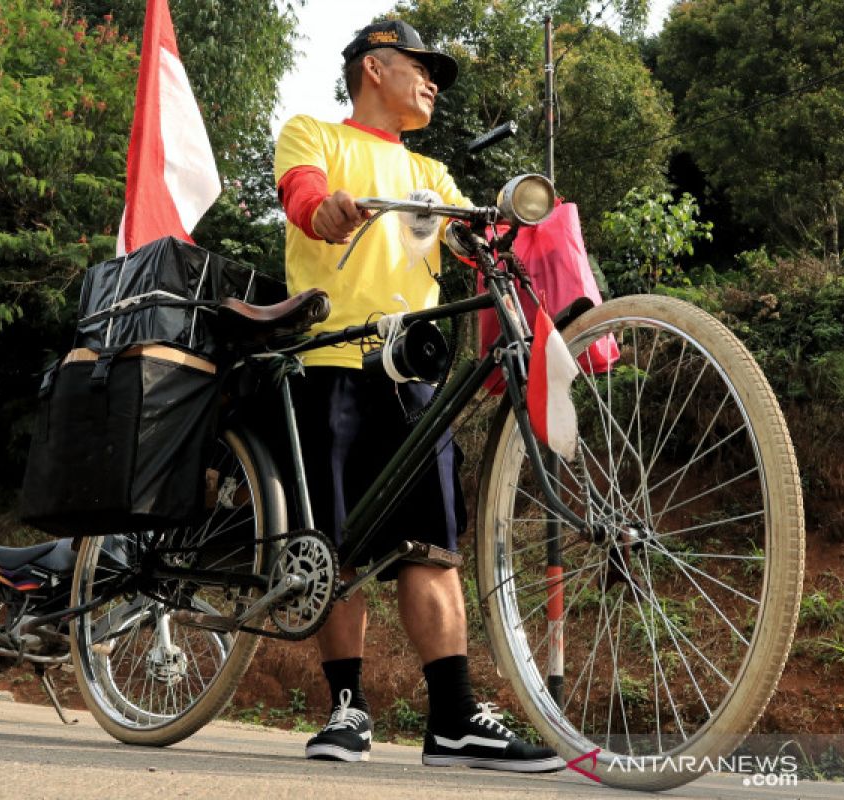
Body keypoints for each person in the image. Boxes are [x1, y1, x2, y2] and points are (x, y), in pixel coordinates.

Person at [273, 19, 564, 773]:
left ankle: (455, 717)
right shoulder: (313, 133)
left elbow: (471, 236)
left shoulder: (431, 174)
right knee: (333, 545)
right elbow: (303, 193)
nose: (432, 80)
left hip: (411, 375)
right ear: (375, 67)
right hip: (330, 356)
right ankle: (346, 707)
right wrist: (326, 208)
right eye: (420, 66)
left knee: (433, 547)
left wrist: (498, 232)